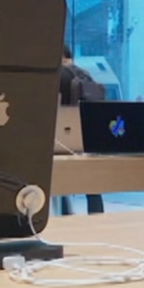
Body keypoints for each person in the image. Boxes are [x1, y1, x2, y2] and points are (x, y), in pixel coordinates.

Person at [59, 45, 105, 214]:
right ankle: (97, 218)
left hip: (65, 135)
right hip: (90, 136)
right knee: (93, 188)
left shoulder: (59, 75)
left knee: (60, 183)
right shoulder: (85, 74)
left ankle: (65, 217)